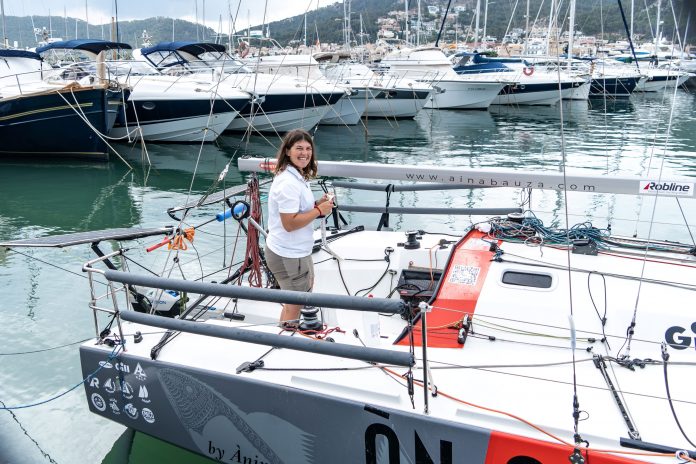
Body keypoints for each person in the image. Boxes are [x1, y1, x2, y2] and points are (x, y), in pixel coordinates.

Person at [264, 129, 334, 328]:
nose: (304, 153)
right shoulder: (288, 183)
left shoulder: (294, 177)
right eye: (299, 148)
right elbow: (290, 224)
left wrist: (315, 206)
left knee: (293, 301)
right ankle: (286, 341)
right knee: (296, 304)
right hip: (289, 254)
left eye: (308, 149)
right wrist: (319, 210)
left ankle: (285, 336)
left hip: (290, 251)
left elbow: (295, 213)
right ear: (287, 151)